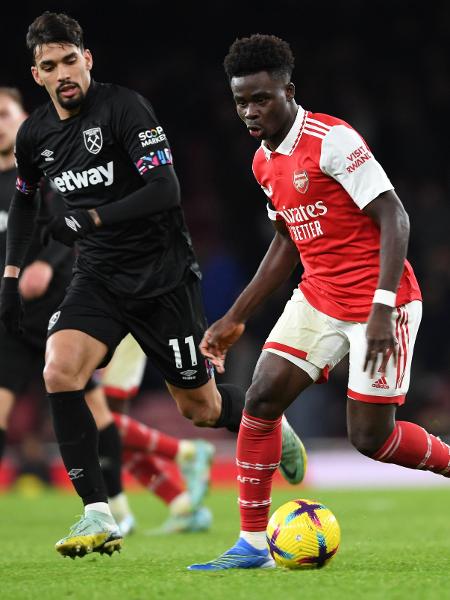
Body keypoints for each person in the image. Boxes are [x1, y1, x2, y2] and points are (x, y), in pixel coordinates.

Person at [0, 14, 305, 558]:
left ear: (87, 59)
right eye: (51, 66)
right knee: (60, 369)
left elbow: (166, 189)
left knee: (201, 408)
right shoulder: (36, 134)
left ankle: (268, 423)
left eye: (71, 60)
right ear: (37, 73)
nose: (64, 72)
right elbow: (25, 202)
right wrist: (11, 274)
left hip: (162, 278)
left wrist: (91, 220)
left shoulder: (124, 108)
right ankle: (98, 513)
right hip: (96, 278)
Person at [187, 33, 448, 571]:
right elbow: (287, 240)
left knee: (371, 439)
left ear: (289, 91)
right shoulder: (263, 162)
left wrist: (380, 308)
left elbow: (394, 216)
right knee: (260, 400)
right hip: (319, 295)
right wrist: (236, 317)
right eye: (241, 102)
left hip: (385, 301)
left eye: (261, 99)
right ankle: (252, 546)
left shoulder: (332, 140)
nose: (250, 111)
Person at [0, 85, 213, 542]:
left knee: (148, 410)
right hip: (63, 311)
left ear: (22, 115)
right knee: (82, 401)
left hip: (132, 288)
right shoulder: (29, 170)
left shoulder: (66, 151)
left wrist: (44, 264)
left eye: (4, 113)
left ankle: (184, 458)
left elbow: (74, 226)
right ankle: (118, 508)